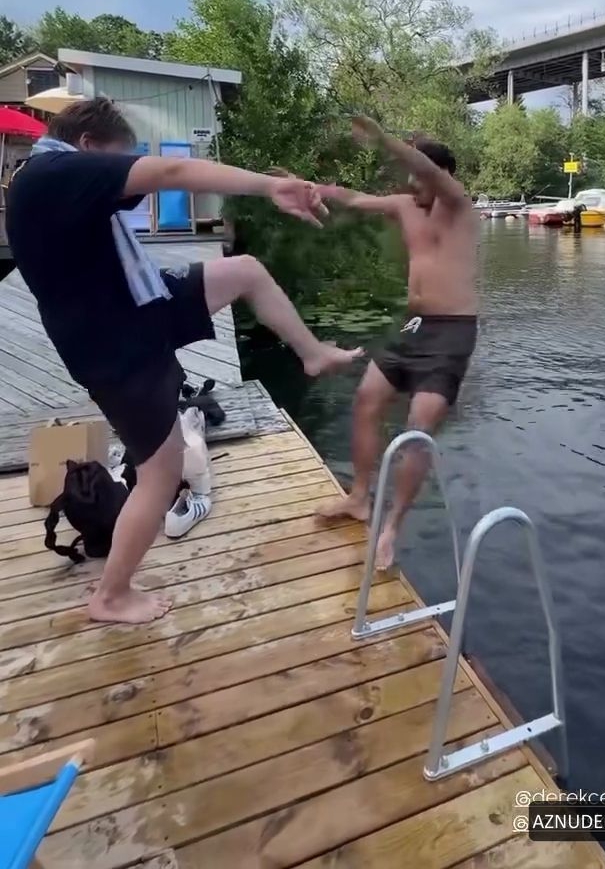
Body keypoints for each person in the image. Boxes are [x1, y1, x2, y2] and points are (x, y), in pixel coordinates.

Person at [6, 97, 362, 625]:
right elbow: (170, 172)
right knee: (161, 472)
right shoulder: (58, 174)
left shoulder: (47, 175)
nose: (126, 177)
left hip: (137, 305)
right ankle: (110, 596)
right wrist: (270, 187)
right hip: (116, 345)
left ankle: (311, 355)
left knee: (244, 270)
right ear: (89, 146)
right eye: (119, 160)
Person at [317, 115, 477, 568]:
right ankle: (359, 498)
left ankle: (390, 528)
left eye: (419, 177)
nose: (411, 186)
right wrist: (309, 188)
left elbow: (426, 170)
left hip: (453, 329)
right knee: (366, 398)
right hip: (413, 324)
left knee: (417, 428)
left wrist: (384, 140)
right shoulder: (406, 205)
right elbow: (355, 198)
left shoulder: (458, 204)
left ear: (441, 175)